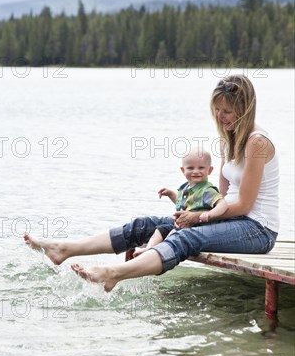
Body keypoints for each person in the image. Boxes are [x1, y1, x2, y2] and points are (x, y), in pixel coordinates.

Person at [24, 75, 279, 292]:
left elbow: (244, 205)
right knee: (147, 225)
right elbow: (221, 197)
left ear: (244, 110)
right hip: (230, 218)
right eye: (217, 109)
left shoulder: (257, 142)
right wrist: (192, 209)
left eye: (227, 111)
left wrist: (198, 219)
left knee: (187, 236)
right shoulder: (229, 138)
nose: (220, 116)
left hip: (257, 229)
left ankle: (115, 273)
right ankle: (63, 249)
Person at [133, 150, 228, 257]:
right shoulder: (185, 188)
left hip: (196, 229)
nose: (196, 171)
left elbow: (222, 203)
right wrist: (170, 194)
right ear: (183, 170)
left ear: (209, 170)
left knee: (173, 234)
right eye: (190, 168)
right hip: (182, 225)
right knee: (160, 229)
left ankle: (156, 253)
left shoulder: (207, 190)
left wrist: (211, 214)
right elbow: (184, 205)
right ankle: (149, 249)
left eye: (201, 168)